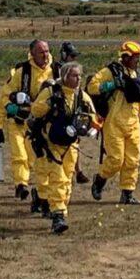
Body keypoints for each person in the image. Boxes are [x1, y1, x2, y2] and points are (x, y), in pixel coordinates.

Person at [29, 61, 97, 234]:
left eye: (80, 76)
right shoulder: (51, 93)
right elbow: (36, 111)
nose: (78, 79)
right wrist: (49, 105)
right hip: (50, 143)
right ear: (65, 77)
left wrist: (91, 128)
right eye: (74, 75)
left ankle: (53, 204)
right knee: (57, 178)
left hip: (71, 145)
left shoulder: (81, 96)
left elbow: (94, 117)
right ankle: (58, 215)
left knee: (67, 178)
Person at [86, 40, 140, 205]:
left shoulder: (139, 75)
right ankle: (100, 180)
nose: (138, 61)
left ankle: (127, 193)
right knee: (116, 160)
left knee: (132, 160)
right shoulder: (110, 71)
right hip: (113, 123)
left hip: (133, 125)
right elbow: (91, 87)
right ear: (125, 57)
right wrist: (110, 85)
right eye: (135, 57)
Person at [0, 39, 58, 205]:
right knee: (19, 155)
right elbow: (4, 97)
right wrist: (1, 123)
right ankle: (21, 185)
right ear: (32, 54)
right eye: (41, 52)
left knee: (33, 158)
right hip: (18, 123)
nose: (45, 55)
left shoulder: (56, 71)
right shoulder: (22, 72)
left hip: (40, 124)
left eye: (46, 51)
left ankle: (39, 189)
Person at [58, 41, 91, 186]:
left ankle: (76, 171)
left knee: (74, 142)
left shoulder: (74, 71)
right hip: (60, 112)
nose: (74, 58)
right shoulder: (58, 70)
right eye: (72, 56)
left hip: (73, 111)